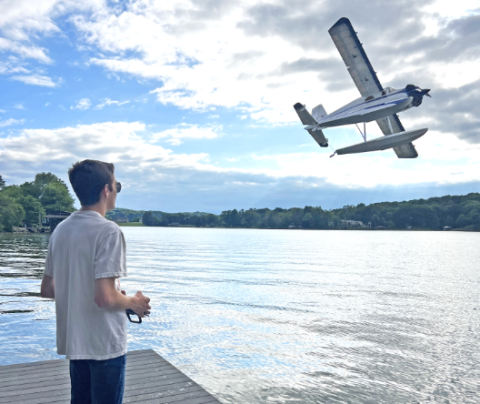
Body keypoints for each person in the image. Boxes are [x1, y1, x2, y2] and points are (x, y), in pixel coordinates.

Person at [40, 159, 151, 404]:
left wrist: (79, 289)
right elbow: (105, 297)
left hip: (76, 341)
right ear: (105, 190)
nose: (116, 191)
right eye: (116, 185)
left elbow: (48, 289)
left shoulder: (60, 230)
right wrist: (133, 302)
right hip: (104, 344)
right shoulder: (109, 231)